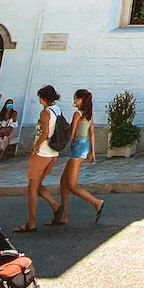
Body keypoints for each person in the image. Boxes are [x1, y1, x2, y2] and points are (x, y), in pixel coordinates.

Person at [15, 85, 62, 233]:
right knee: (36, 185)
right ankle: (56, 206)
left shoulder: (45, 113)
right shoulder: (57, 110)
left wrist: (34, 148)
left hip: (42, 152)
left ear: (43, 98)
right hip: (52, 152)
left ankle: (31, 223)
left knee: (32, 189)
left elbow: (44, 133)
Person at [52, 90, 104, 225]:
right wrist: (92, 152)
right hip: (83, 147)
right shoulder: (88, 114)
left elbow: (72, 133)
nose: (74, 101)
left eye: (76, 98)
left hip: (76, 148)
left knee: (71, 184)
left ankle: (96, 202)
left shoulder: (77, 114)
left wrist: (62, 145)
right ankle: (63, 216)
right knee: (63, 182)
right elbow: (92, 133)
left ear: (82, 100)